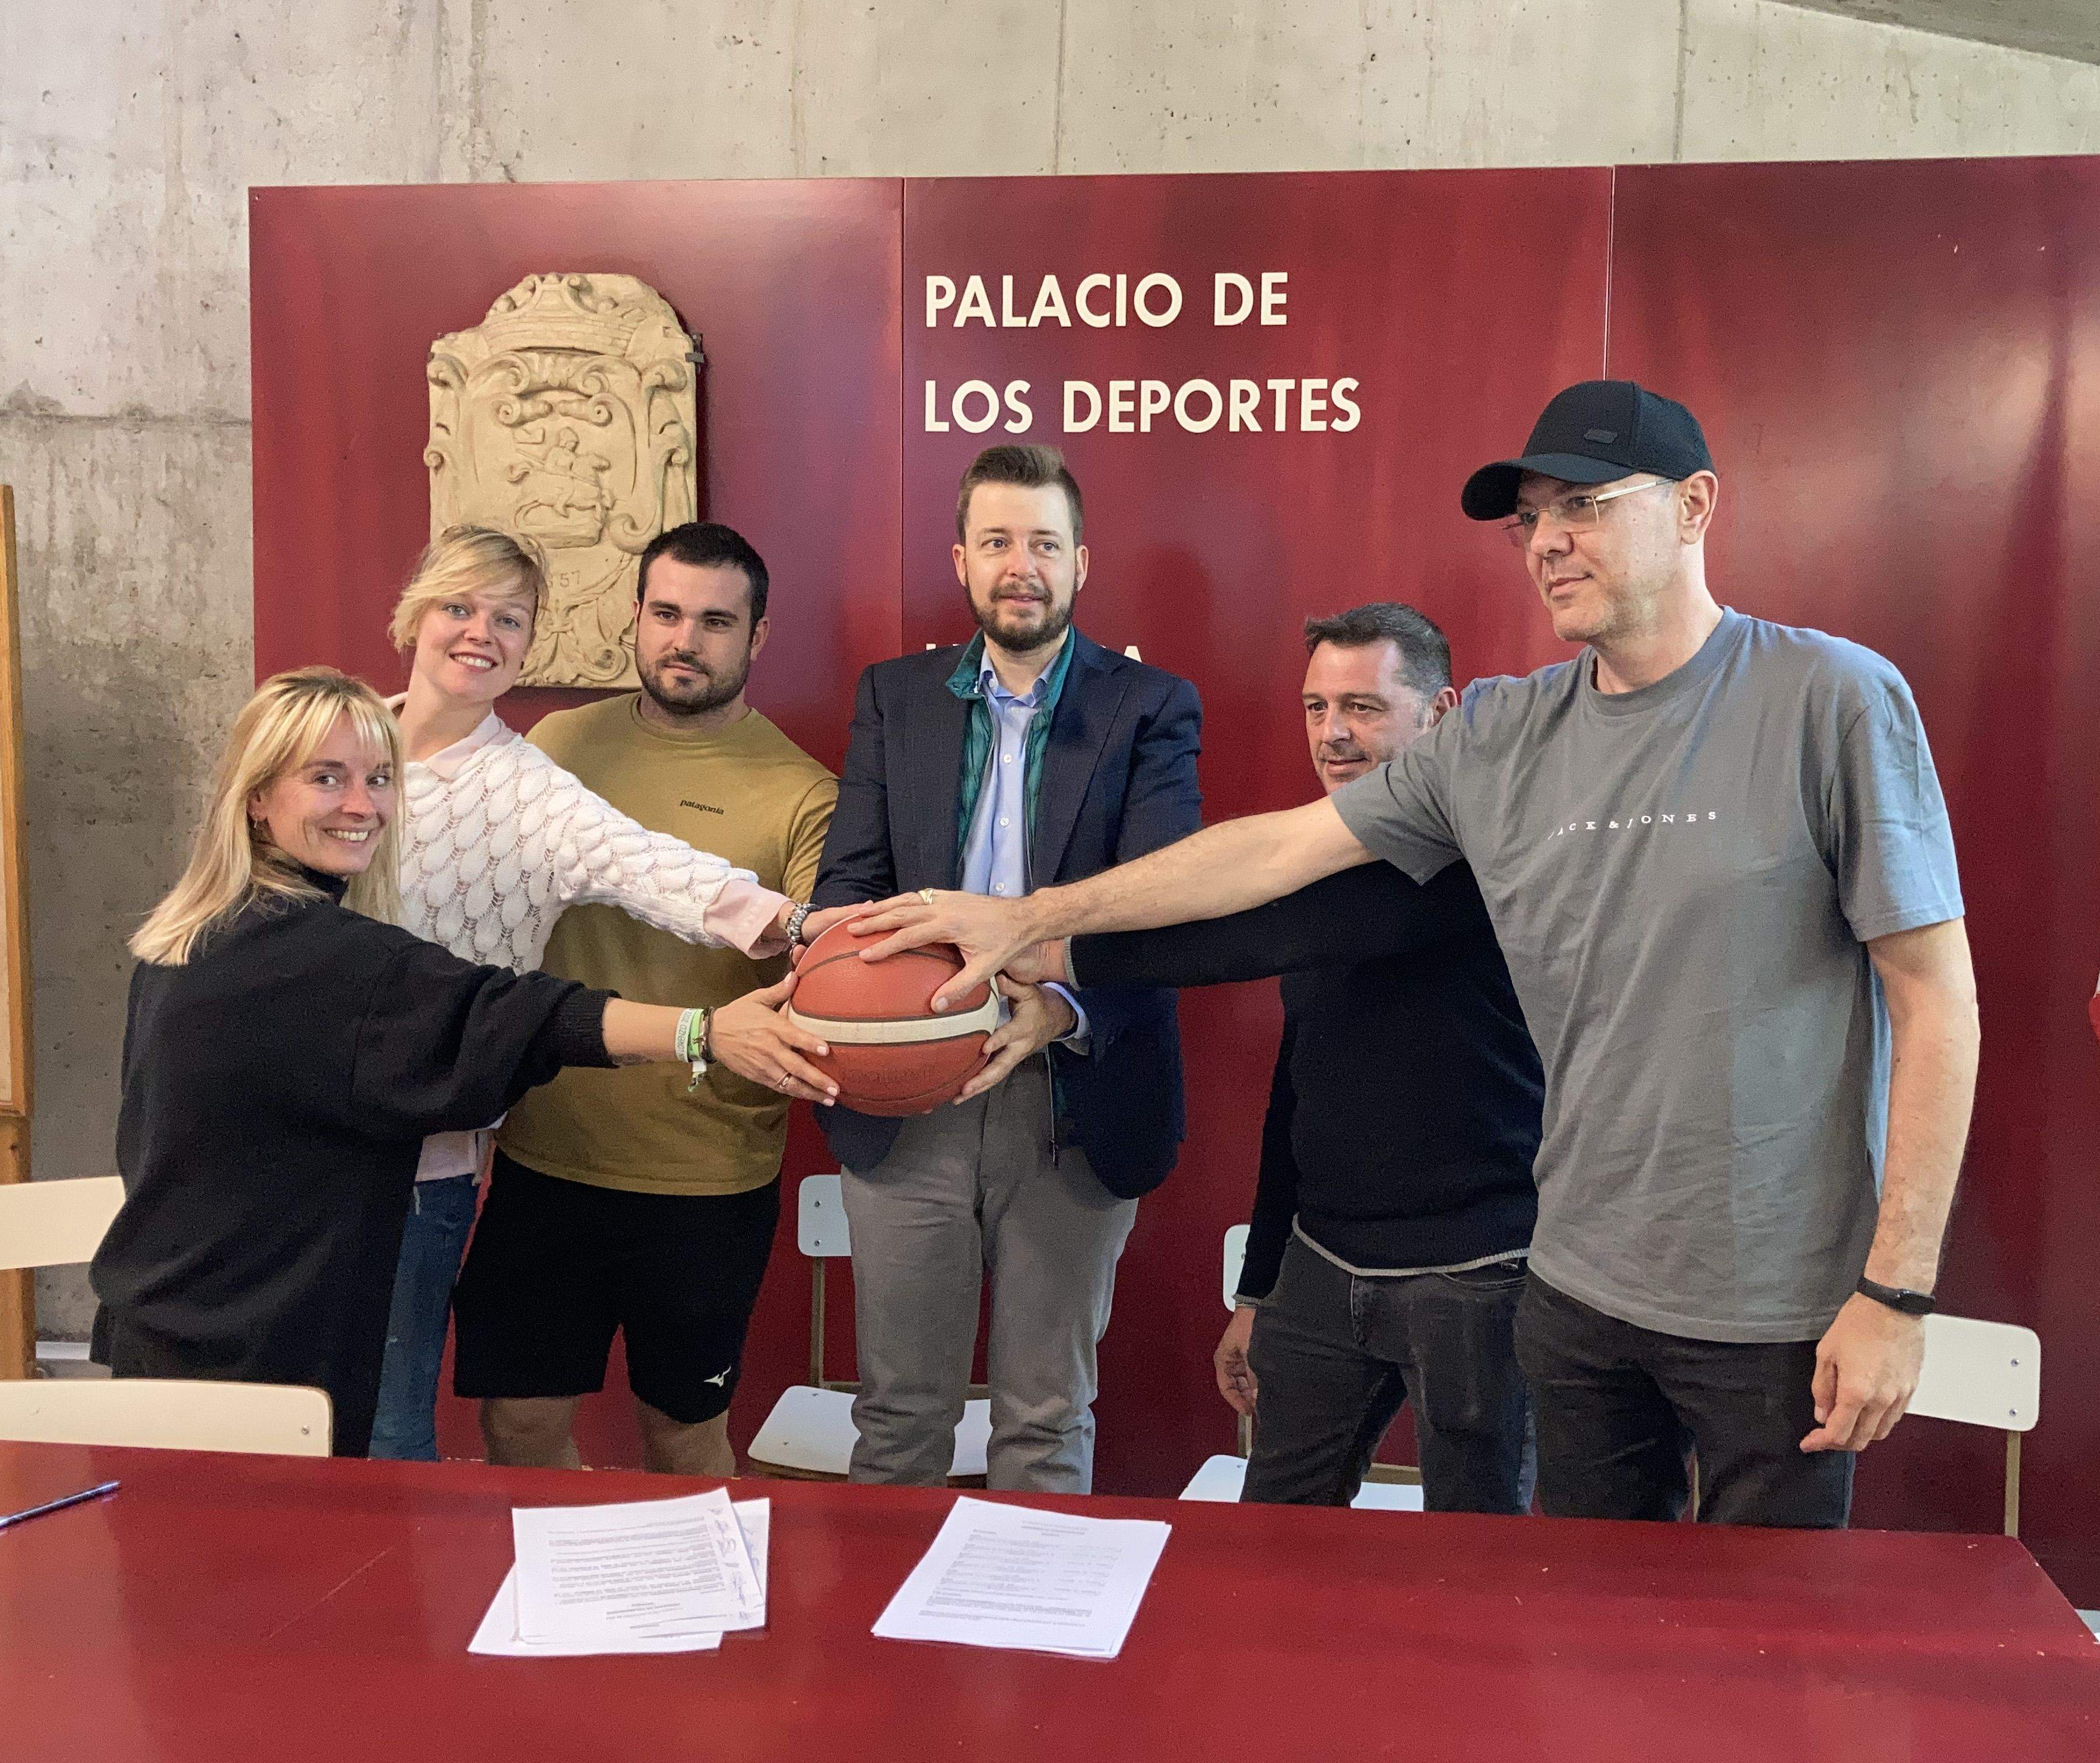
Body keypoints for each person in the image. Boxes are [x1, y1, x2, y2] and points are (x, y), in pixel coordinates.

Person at [852, 381, 1981, 1529]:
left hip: (1771, 1310)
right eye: (1530, 519)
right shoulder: (1499, 733)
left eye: (1583, 506)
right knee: (1571, 1652)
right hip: (1575, 1295)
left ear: (1695, 507)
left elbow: (1935, 999)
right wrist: (1039, 920)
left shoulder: (1829, 697)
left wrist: (1895, 1290)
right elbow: (1272, 861)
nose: (1547, 542)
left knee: (1757, 1663)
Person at [91, 668, 837, 1458]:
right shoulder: (328, 960)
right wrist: (705, 1033)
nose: (362, 804)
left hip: (160, 1321)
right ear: (257, 797)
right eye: (326, 778)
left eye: (380, 778)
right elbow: (518, 1015)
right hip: (253, 1364)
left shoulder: (188, 939)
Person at [1047, 603, 1541, 1513]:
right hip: (1322, 1269)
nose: (1334, 734)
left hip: (1475, 1279)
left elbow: (1227, 945)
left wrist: (1046, 943)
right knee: (1273, 1540)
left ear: (1441, 715)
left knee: (1478, 1564)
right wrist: (1262, 1288)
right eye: (1316, 708)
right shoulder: (1316, 864)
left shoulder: (1478, 855)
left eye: (1363, 707)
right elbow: (1299, 1093)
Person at [368, 525, 814, 1463]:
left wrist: (811, 929)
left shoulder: (533, 780)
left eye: (508, 619)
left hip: (486, 1163)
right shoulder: (352, 743)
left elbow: (660, 873)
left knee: (394, 1428)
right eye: (458, 606)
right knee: (316, 1420)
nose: (683, 638)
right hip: (362, 1148)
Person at [807, 443, 1203, 1494]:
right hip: (906, 1096)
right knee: (898, 1420)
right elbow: (849, 884)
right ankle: (895, 1657)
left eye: (1042, 543)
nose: (1019, 564)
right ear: (961, 560)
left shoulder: (1152, 707)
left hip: (1075, 1094)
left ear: (1082, 563)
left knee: (1044, 1421)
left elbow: (1167, 907)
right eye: (996, 542)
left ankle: (1031, 1655)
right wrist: (851, 991)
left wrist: (1059, 1008)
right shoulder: (896, 698)